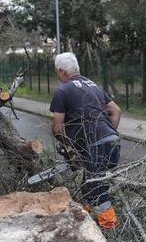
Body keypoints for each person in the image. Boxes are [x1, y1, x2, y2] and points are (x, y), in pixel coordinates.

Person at [50, 52, 123, 230]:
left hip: (96, 145)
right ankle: (87, 223)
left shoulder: (62, 90)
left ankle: (111, 229)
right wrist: (109, 134)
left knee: (97, 190)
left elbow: (57, 128)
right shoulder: (93, 85)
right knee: (89, 185)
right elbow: (116, 111)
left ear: (61, 71)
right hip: (113, 141)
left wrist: (69, 148)